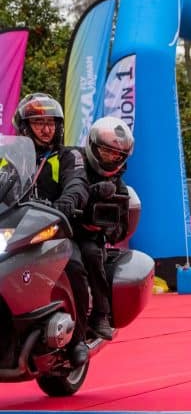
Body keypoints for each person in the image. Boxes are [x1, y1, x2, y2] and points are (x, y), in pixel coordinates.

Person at [13, 93, 90, 365]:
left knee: (75, 266)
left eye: (51, 123)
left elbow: (77, 184)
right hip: (16, 230)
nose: (46, 129)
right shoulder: (11, 158)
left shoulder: (68, 156)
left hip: (56, 230)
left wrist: (66, 203)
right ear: (24, 126)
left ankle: (79, 338)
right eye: (38, 123)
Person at [72, 116, 136, 341]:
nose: (110, 157)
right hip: (58, 225)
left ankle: (100, 313)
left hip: (88, 237)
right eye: (106, 151)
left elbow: (120, 230)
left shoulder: (119, 187)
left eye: (116, 154)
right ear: (93, 146)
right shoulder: (74, 164)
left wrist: (102, 228)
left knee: (91, 253)